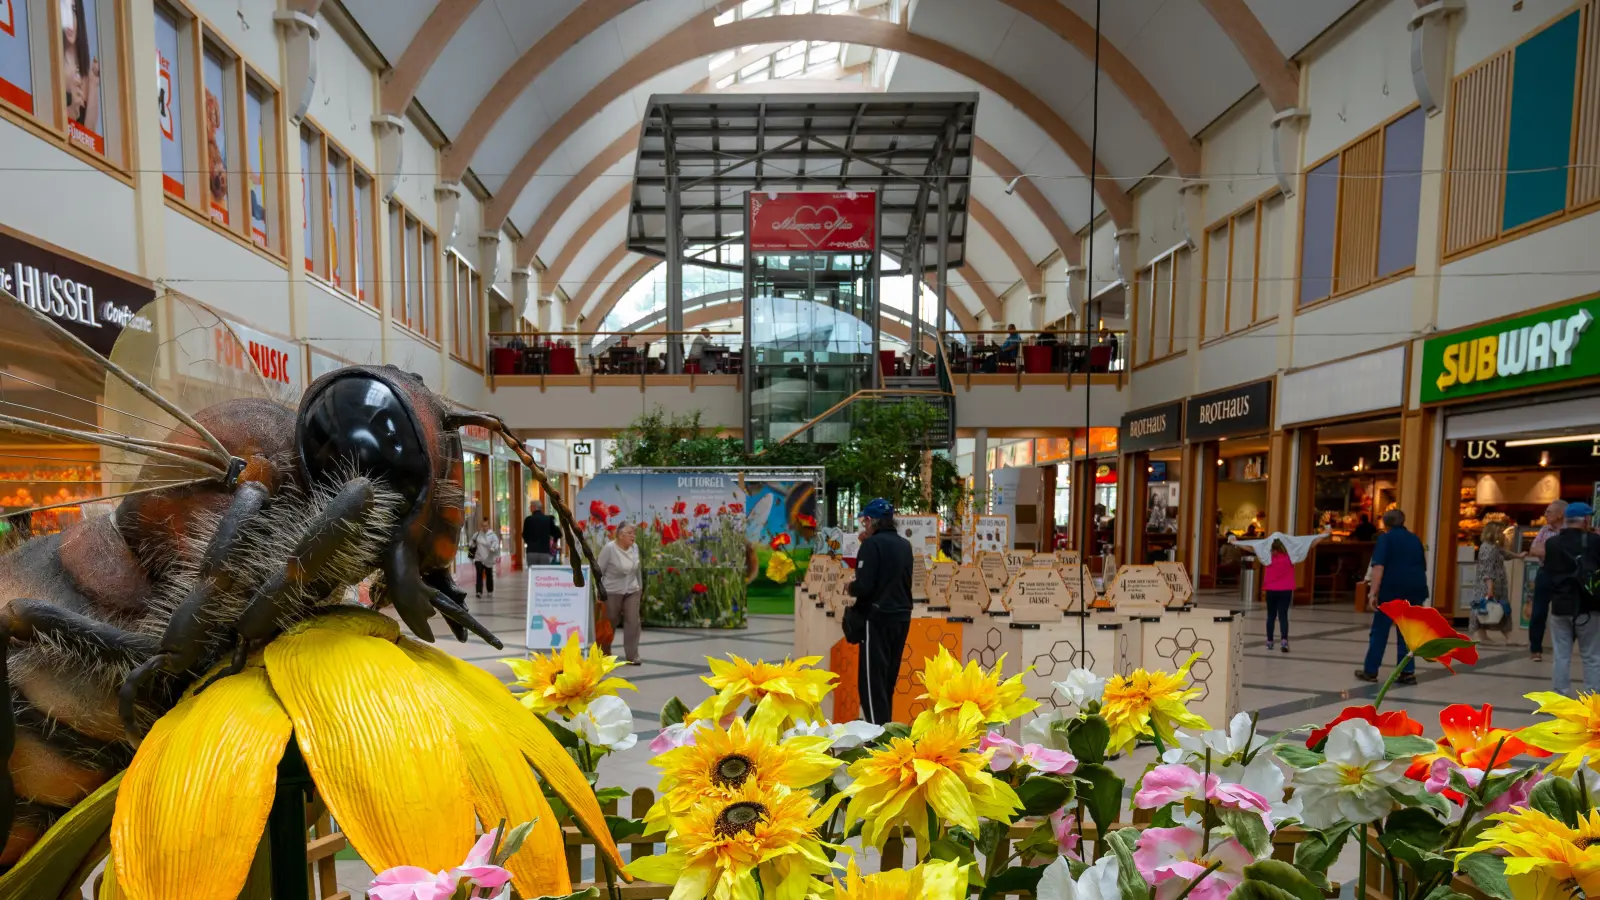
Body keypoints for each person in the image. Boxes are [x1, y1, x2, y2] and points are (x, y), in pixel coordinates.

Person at [847, 498, 913, 725]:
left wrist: (850, 586)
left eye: (864, 521)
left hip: (876, 619)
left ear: (870, 521)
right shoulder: (905, 545)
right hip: (902, 616)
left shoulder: (871, 546)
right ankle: (887, 730)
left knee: (872, 682)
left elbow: (864, 586)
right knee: (887, 680)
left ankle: (877, 738)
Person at [1355, 509, 1428, 685]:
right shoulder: (1415, 539)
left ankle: (1371, 670)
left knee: (1380, 630)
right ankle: (1407, 671)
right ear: (1403, 521)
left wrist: (1373, 592)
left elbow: (1378, 566)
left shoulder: (1385, 539)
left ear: (1385, 524)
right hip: (1415, 588)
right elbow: (1423, 565)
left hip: (1392, 589)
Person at [1231, 530, 1330, 652]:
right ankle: (1284, 641)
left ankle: (1269, 641)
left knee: (1271, 616)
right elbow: (1310, 544)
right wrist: (1323, 535)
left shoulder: (1267, 556)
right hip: (1286, 590)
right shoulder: (1291, 556)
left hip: (1271, 590)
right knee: (1283, 616)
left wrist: (1235, 542)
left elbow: (1252, 548)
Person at [1541, 502, 1600, 695]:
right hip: (1588, 607)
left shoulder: (1552, 544)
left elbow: (1548, 574)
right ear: (1585, 520)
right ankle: (1593, 701)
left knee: (1561, 656)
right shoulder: (1595, 541)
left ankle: (1560, 697)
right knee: (1591, 656)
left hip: (1560, 606)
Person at [1526, 499, 1567, 662]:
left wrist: (1547, 550)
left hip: (1564, 575)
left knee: (1564, 614)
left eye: (1549, 512)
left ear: (1560, 514)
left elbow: (1569, 552)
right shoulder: (1545, 529)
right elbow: (1534, 549)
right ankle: (1535, 649)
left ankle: (1563, 649)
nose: (1545, 515)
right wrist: (1556, 552)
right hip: (1545, 573)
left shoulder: (1569, 531)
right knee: (1538, 613)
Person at [598, 522, 643, 664]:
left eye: (634, 533)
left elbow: (637, 570)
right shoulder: (609, 549)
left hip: (632, 590)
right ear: (620, 534)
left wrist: (640, 588)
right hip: (611, 591)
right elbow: (598, 571)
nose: (633, 536)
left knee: (633, 622)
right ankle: (604, 653)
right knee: (609, 623)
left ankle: (633, 655)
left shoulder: (634, 548)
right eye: (630, 533)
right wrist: (598, 592)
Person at [1472, 523, 1514, 644]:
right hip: (1489, 585)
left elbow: (1505, 554)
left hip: (1496, 584)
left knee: (1498, 609)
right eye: (1500, 532)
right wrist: (1490, 588)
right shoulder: (1487, 548)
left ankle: (1506, 637)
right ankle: (1483, 636)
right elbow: (1487, 569)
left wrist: (1517, 556)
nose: (1503, 535)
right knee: (1486, 609)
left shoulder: (1493, 546)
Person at [469, 517, 500, 598]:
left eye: (485, 525)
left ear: (488, 526)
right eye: (482, 526)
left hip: (488, 559)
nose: (484, 527)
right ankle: (479, 591)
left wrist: (493, 548)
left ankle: (490, 590)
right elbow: (471, 544)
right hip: (478, 558)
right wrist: (473, 544)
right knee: (479, 574)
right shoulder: (477, 535)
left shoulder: (492, 535)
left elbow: (496, 544)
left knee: (489, 574)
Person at [522, 500, 559, 566]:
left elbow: (525, 534)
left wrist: (529, 542)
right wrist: (555, 542)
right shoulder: (548, 519)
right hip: (544, 551)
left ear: (534, 507)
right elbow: (557, 532)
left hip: (531, 551)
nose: (530, 508)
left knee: (533, 573)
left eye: (530, 506)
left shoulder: (528, 520)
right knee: (543, 574)